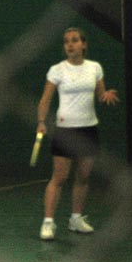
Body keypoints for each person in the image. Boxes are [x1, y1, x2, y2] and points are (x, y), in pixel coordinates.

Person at [36, 27, 119, 241]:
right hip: (65, 130)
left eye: (74, 40)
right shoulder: (57, 70)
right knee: (59, 178)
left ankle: (76, 219)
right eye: (66, 41)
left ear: (84, 44)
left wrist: (106, 95)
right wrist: (41, 122)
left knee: (83, 177)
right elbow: (45, 99)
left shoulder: (95, 68)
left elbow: (100, 94)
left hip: (88, 128)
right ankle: (48, 222)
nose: (70, 45)